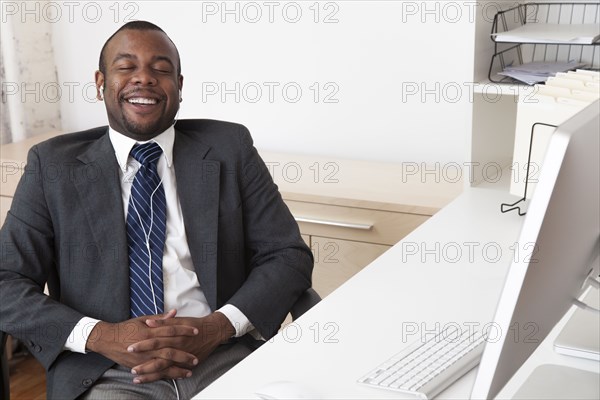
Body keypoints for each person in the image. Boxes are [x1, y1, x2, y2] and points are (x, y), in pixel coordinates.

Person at [0, 21, 313, 400]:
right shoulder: (52, 166)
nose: (144, 79)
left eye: (161, 69)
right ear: (100, 83)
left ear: (179, 86)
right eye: (126, 67)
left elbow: (287, 255)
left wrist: (217, 328)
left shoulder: (230, 148)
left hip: (222, 354)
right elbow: (6, 282)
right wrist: (102, 336)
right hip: (107, 371)